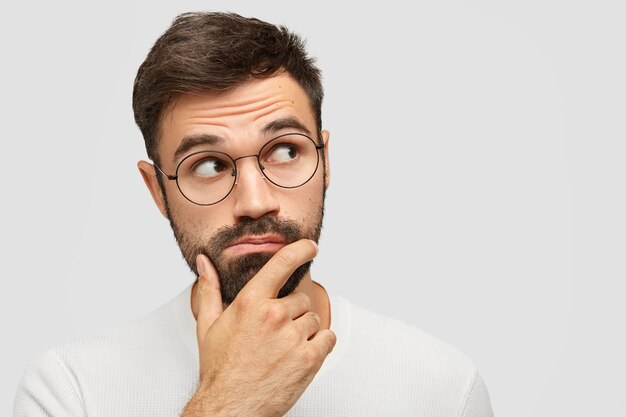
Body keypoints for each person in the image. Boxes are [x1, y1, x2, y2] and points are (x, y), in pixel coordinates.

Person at [14, 12, 494, 417]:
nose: (254, 202)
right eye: (207, 164)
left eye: (285, 151)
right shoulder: (70, 390)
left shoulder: (442, 388)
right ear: (157, 190)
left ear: (325, 162)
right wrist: (226, 403)